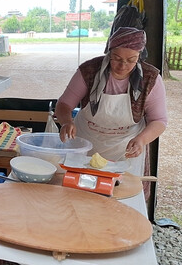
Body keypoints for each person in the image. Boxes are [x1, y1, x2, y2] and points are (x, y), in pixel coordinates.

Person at [55, 27, 168, 183]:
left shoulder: (150, 78)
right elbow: (64, 104)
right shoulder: (89, 71)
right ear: (109, 52)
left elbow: (159, 120)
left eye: (131, 60)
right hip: (86, 144)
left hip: (126, 149)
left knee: (122, 195)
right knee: (82, 192)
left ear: (139, 56)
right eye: (116, 58)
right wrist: (67, 122)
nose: (122, 65)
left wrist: (142, 139)